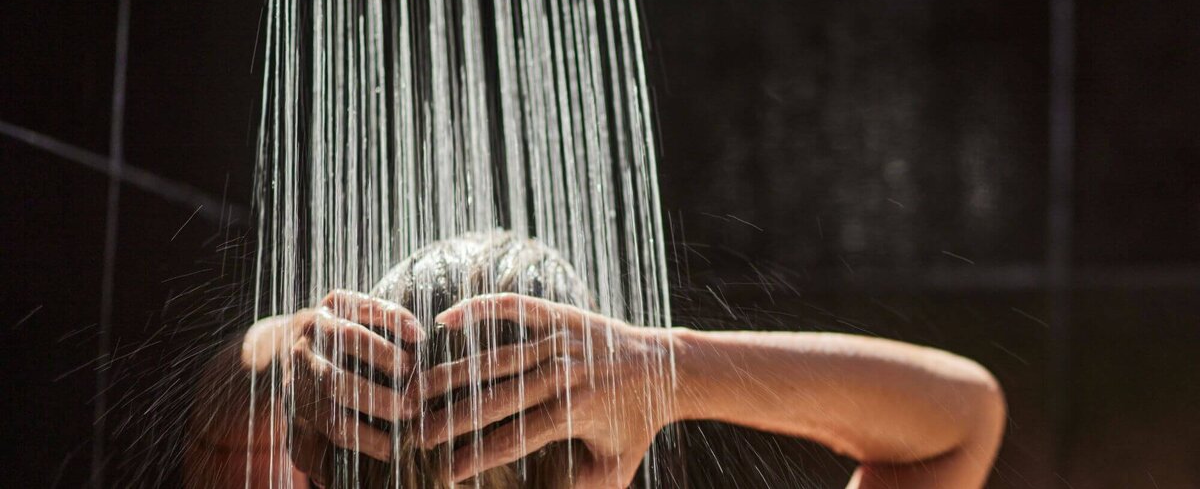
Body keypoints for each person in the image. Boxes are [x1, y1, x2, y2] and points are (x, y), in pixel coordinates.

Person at [186, 232, 1005, 488]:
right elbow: (959, 423)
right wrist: (665, 369)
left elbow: (212, 434)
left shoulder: (266, 451)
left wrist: (290, 350)